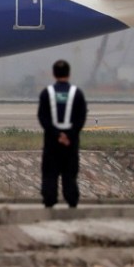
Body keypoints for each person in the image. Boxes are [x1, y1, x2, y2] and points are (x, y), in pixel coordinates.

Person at [37, 59, 87, 208]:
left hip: (52, 141)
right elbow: (81, 118)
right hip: (70, 142)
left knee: (50, 173)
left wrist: (57, 135)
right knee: (69, 173)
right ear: (69, 74)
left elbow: (42, 117)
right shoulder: (76, 93)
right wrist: (69, 135)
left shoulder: (47, 93)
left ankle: (49, 201)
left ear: (53, 74)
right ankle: (72, 202)